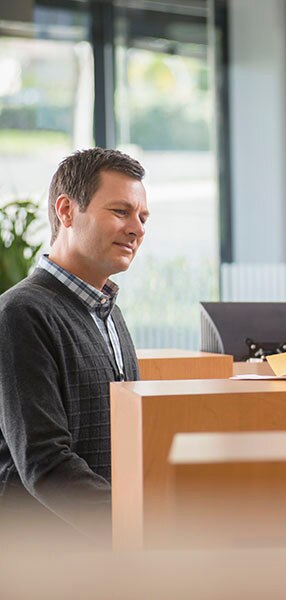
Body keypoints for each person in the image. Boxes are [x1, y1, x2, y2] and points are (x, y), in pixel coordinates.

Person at [0, 148, 148, 540]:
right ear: (66, 211)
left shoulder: (109, 312)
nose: (137, 228)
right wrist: (141, 526)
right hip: (46, 560)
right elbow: (45, 463)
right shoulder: (20, 313)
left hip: (103, 551)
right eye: (121, 212)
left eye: (142, 217)